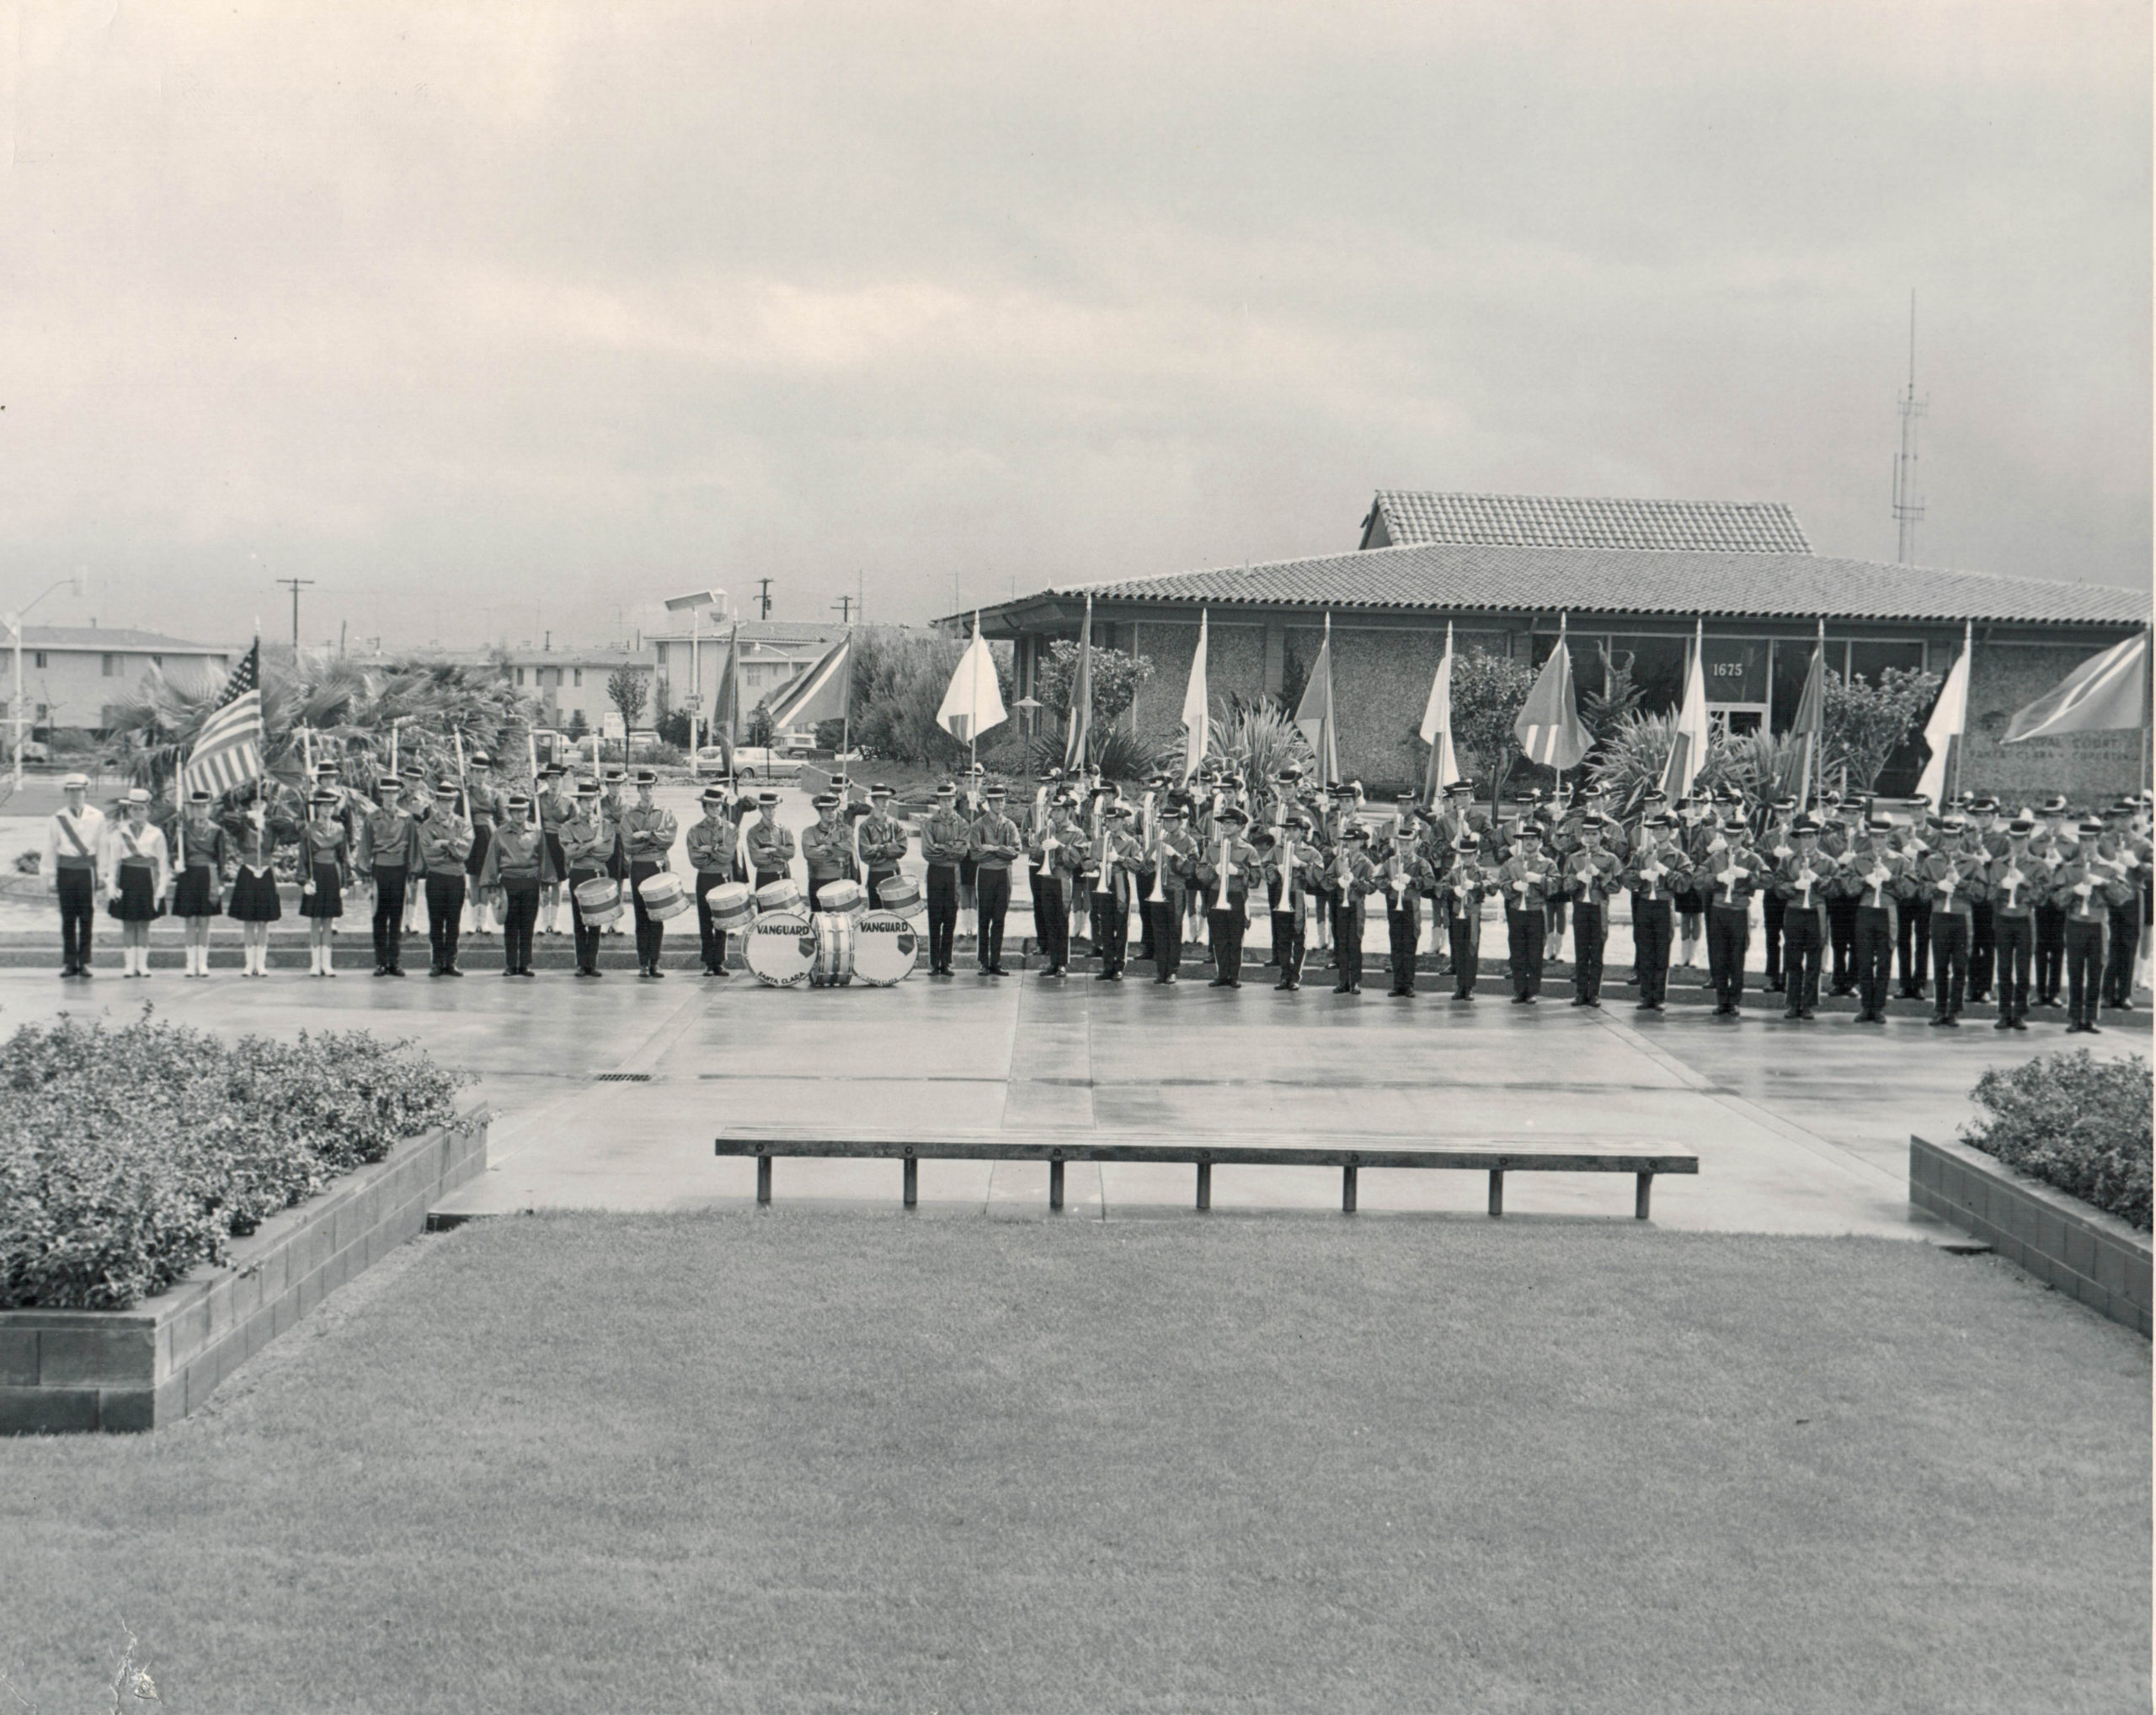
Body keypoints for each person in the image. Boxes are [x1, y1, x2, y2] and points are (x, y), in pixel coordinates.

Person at [2052, 819, 2129, 1034]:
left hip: (2098, 924)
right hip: (2076, 923)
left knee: (2097, 971)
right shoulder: (2068, 868)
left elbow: (2122, 898)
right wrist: (2073, 891)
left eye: (2091, 840)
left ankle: (2092, 1017)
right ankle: (2075, 1017)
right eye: (2083, 840)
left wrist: (2104, 883)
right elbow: (2056, 900)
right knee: (2075, 971)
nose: (2087, 845)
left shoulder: (2108, 868)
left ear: (2098, 841)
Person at [1838, 815, 1912, 1024]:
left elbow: (1910, 890)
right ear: (1870, 838)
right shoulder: (1859, 859)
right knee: (1863, 959)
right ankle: (1865, 1006)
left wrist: (1892, 879)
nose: (1878, 841)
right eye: (1875, 837)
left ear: (1888, 838)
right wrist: (1864, 880)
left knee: (1885, 960)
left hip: (1887, 911)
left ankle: (1878, 1007)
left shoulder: (1900, 861)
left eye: (1882, 837)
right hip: (1866, 910)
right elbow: (1847, 886)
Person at [1919, 816, 1986, 1026]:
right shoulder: (1932, 861)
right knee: (1940, 965)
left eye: (1954, 837)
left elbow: (1980, 894)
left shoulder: (1972, 862)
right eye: (1946, 836)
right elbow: (1921, 891)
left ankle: (1954, 1010)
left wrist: (1961, 883)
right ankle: (1940, 1009)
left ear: (1961, 837)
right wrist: (1937, 886)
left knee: (1960, 966)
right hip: (1940, 916)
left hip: (1961, 916)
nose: (1950, 841)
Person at [101, 788, 169, 977]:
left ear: (148, 811)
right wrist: (111, 884)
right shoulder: (119, 833)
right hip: (127, 878)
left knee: (144, 923)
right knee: (129, 923)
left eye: (142, 809)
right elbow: (113, 861)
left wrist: (162, 886)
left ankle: (142, 964)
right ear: (129, 810)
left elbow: (163, 863)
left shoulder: (156, 833)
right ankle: (130, 964)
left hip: (148, 879)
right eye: (134, 809)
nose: (138, 812)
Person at [355, 776, 419, 977]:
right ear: (382, 794)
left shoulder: (407, 819)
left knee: (397, 916)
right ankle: (381, 962)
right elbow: (365, 847)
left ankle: (395, 961)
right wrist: (365, 874)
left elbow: (413, 846)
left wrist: (413, 872)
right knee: (379, 916)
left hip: (399, 870)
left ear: (399, 794)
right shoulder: (372, 818)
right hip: (380, 870)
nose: (391, 796)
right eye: (387, 792)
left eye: (394, 792)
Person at [1701, 814, 1764, 1018]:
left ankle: (1734, 1001)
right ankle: (1722, 1001)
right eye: (1728, 836)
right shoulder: (1716, 857)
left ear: (1743, 836)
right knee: (1719, 956)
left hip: (1738, 909)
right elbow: (1697, 878)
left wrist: (1748, 876)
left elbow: (1769, 879)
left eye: (1736, 836)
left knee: (1737, 956)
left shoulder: (1752, 858)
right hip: (1719, 908)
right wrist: (1717, 878)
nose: (1732, 840)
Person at [1623, 814, 1687, 1012]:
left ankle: (1658, 997)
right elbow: (1626, 876)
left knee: (1661, 951)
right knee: (1644, 950)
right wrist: (1641, 875)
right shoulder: (1642, 854)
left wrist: (1666, 872)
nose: (1659, 833)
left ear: (1670, 832)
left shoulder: (1677, 856)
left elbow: (1685, 883)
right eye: (1656, 829)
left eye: (1663, 829)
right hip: (1644, 903)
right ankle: (1645, 996)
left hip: (1663, 904)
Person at [479, 791, 547, 976]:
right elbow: (492, 861)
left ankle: (524, 964)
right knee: (510, 924)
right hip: (509, 882)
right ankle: (510, 964)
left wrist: (546, 885)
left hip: (530, 882)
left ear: (528, 811)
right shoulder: (500, 834)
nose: (519, 814)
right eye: (515, 811)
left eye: (523, 810)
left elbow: (544, 860)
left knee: (527, 924)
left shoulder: (537, 832)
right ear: (510, 812)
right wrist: (491, 888)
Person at [1983, 817, 2041, 1031]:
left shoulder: (2037, 864)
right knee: (2004, 967)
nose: (2016, 844)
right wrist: (2001, 886)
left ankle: (2020, 1013)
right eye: (2013, 839)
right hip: (2003, 918)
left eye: (2021, 839)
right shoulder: (1999, 864)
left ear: (2028, 839)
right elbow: (1988, 894)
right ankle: (2004, 1012)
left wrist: (2024, 881)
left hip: (2025, 918)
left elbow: (2042, 897)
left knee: (2023, 969)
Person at [1771, 816, 1832, 1021]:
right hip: (1795, 909)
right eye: (1803, 837)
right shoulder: (1788, 860)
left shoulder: (1827, 861)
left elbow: (1835, 887)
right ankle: (1793, 1002)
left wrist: (1818, 880)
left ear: (1817, 838)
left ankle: (1809, 1004)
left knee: (1814, 959)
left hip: (1815, 910)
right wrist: (1793, 887)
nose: (1806, 841)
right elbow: (1778, 886)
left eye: (1810, 837)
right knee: (1793, 958)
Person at [223, 795, 291, 977]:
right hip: (248, 870)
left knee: (263, 921)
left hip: (266, 871)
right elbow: (226, 818)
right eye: (254, 803)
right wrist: (248, 815)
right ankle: (249, 963)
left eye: (261, 803)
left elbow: (290, 825)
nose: (258, 806)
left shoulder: (272, 825)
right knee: (248, 920)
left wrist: (265, 820)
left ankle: (260, 963)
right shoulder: (242, 825)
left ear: (267, 805)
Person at [1561, 815, 1623, 1008]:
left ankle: (1594, 993)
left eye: (1594, 834)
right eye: (1587, 834)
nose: (1590, 838)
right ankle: (1580, 992)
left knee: (1597, 951)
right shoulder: (1574, 858)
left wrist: (1600, 874)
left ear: (1601, 835)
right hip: (1581, 906)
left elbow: (1616, 887)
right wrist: (1578, 879)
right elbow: (1565, 886)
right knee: (1581, 950)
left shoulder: (1610, 859)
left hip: (1599, 907)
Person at [621, 768, 678, 978]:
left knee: (658, 914)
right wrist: (653, 841)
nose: (647, 791)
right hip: (639, 866)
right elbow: (628, 843)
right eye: (643, 787)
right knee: (641, 915)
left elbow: (669, 838)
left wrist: (647, 835)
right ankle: (643, 962)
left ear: (655, 788)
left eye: (650, 787)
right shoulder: (630, 815)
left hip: (658, 866)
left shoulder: (664, 813)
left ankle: (655, 961)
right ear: (638, 789)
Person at [1196, 805, 1261, 989]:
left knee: (1235, 936)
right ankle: (1221, 973)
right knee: (1218, 936)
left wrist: (1239, 871)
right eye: (1224, 823)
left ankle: (1234, 975)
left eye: (1231, 823)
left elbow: (1256, 878)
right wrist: (1212, 871)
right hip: (1216, 893)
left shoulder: (1248, 849)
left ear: (1240, 827)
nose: (1225, 827)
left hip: (1236, 895)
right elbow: (1200, 871)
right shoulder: (1213, 847)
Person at [562, 779, 620, 979]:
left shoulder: (605, 825)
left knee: (596, 919)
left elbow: (606, 852)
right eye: (585, 800)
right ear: (579, 802)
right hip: (578, 873)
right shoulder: (569, 826)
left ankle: (592, 962)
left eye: (592, 800)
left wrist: (583, 847)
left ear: (596, 801)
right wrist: (591, 844)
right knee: (579, 919)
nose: (589, 804)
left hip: (597, 872)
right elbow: (569, 853)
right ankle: (580, 963)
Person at [418, 779, 474, 976]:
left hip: (456, 877)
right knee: (436, 921)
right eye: (443, 800)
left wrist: (442, 843)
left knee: (453, 921)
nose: (447, 805)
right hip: (436, 876)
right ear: (436, 802)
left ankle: (451, 962)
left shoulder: (463, 824)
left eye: (450, 801)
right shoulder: (427, 825)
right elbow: (428, 854)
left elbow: (464, 851)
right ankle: (436, 962)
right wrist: (453, 846)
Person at [685, 783, 741, 976]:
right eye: (711, 806)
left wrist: (710, 850)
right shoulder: (695, 830)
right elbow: (696, 859)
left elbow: (728, 855)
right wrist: (717, 852)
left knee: (722, 920)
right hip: (705, 877)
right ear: (705, 808)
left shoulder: (730, 829)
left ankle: (720, 961)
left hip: (723, 876)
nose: (715, 809)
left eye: (718, 806)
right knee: (706, 920)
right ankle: (709, 962)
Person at [171, 788, 228, 978]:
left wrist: (220, 881)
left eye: (204, 807)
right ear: (192, 809)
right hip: (189, 874)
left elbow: (221, 858)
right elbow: (174, 852)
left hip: (208, 875)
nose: (200, 811)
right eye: (197, 807)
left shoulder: (217, 831)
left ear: (210, 808)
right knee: (190, 920)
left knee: (204, 920)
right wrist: (176, 863)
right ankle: (190, 962)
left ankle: (202, 963)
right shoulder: (183, 829)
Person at [1495, 819, 1554, 1004]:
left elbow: (1557, 885)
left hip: (1536, 910)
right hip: (1516, 910)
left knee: (1535, 952)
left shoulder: (1547, 863)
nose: (1529, 842)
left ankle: (1532, 991)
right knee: (1518, 950)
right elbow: (1501, 884)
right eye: (1526, 839)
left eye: (1533, 839)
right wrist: (1513, 886)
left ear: (1539, 841)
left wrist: (1540, 880)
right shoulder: (1512, 863)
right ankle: (1519, 989)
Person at [1027, 789, 1085, 979]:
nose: (1056, 814)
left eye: (1060, 811)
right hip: (1047, 879)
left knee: (1062, 920)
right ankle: (1053, 961)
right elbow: (1033, 853)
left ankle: (1062, 963)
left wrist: (1060, 847)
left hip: (1063, 879)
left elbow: (1076, 861)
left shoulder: (1076, 833)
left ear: (1068, 812)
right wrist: (1039, 848)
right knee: (1049, 919)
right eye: (1054, 811)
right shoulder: (1046, 831)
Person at [1377, 821, 1437, 998]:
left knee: (1410, 945)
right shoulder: (1391, 862)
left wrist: (1411, 880)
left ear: (1414, 844)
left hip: (1411, 906)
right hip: (1394, 905)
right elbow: (1378, 880)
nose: (1404, 847)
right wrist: (1390, 884)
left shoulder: (1420, 862)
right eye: (1401, 843)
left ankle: (1409, 984)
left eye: (1407, 844)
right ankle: (1397, 984)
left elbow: (1430, 881)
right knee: (1396, 945)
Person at [969, 785, 1023, 976]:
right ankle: (983, 961)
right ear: (988, 802)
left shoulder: (1009, 825)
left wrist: (992, 848)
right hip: (985, 875)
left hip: (1003, 876)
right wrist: (1001, 852)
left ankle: (996, 961)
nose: (1000, 803)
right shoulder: (978, 825)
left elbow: (1015, 851)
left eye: (1002, 800)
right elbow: (975, 854)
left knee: (999, 919)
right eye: (996, 800)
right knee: (984, 919)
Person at [297, 788, 353, 976]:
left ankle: (327, 963)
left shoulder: (340, 829)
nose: (328, 809)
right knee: (315, 920)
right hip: (316, 874)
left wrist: (345, 883)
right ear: (318, 808)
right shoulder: (309, 829)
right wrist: (304, 880)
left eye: (331, 806)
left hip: (333, 874)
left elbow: (344, 857)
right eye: (324, 806)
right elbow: (303, 857)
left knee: (329, 920)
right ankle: (315, 963)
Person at [1267, 814, 1324, 992]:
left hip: (1299, 894)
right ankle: (1284, 974)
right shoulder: (1278, 849)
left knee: (1299, 935)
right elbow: (1265, 868)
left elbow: (1318, 877)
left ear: (1302, 832)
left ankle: (1296, 976)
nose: (1290, 833)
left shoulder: (1311, 852)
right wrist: (1277, 869)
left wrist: (1300, 865)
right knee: (1283, 936)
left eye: (1294, 830)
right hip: (1281, 893)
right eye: (1287, 830)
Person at [1084, 801, 1139, 982]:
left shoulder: (1131, 842)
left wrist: (1120, 859)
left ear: (1123, 822)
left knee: (1121, 925)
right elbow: (1085, 863)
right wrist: (1099, 863)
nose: (1112, 824)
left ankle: (1119, 966)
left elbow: (1139, 865)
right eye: (1110, 821)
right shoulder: (1099, 842)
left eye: (1116, 821)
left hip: (1120, 882)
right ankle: (1107, 966)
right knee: (1105, 926)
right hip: (1103, 882)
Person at [920, 783, 970, 977]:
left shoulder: (963, 824)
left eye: (950, 799)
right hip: (935, 872)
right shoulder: (930, 824)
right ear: (938, 802)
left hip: (953, 873)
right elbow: (927, 851)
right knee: (934, 917)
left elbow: (961, 852)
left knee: (950, 916)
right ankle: (934, 962)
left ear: (954, 800)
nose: (947, 803)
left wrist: (942, 847)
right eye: (943, 800)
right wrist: (951, 847)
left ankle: (946, 961)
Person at [1145, 800, 1198, 985]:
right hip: (1159, 888)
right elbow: (1144, 868)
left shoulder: (1189, 841)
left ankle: (1173, 969)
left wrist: (1176, 855)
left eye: (1172, 821)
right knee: (1159, 930)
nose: (1168, 825)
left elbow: (1192, 868)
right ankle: (1161, 970)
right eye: (1165, 821)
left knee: (1174, 930)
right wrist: (1151, 860)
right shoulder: (1158, 841)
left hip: (1176, 889)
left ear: (1180, 822)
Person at [2030, 796, 2073, 1007]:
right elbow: (2027, 870)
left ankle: (2054, 991)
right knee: (2040, 946)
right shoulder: (2035, 843)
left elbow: (2074, 872)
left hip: (2059, 900)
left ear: (2063, 818)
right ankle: (2039, 991)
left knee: (2057, 946)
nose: (2052, 822)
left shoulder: (2070, 845)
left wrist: (2061, 866)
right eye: (2049, 817)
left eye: (2057, 817)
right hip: (2041, 899)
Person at [1327, 824, 1377, 995]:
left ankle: (1355, 981)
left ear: (1362, 842)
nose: (1351, 844)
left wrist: (1355, 882)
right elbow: (1327, 879)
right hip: (1342, 902)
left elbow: (1372, 887)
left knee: (1354, 943)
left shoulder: (1366, 863)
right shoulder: (1339, 860)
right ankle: (1343, 981)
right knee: (1342, 942)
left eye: (1355, 840)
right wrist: (1337, 882)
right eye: (1348, 841)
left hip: (1356, 904)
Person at [1756, 797, 1798, 995]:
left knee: (1792, 935)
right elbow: (1756, 854)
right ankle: (1773, 977)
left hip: (1792, 891)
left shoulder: (1799, 836)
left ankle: (1790, 975)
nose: (1783, 816)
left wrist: (1790, 856)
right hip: (1772, 890)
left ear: (1794, 813)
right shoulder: (1768, 835)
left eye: (1787, 812)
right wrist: (1772, 854)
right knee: (1772, 935)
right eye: (1779, 812)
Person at [462, 750, 501, 938]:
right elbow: (457, 816)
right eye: (476, 771)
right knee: (473, 879)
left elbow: (502, 819)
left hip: (488, 836)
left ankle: (483, 921)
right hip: (471, 836)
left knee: (486, 880)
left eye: (483, 771)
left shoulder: (494, 794)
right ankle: (473, 921)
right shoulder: (464, 792)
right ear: (471, 772)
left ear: (488, 773)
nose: (479, 775)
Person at [857, 783, 910, 912]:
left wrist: (879, 848)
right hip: (875, 874)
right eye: (881, 798)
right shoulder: (865, 826)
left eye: (887, 798)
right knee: (876, 914)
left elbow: (902, 848)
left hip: (893, 873)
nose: (885, 802)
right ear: (874, 800)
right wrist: (890, 849)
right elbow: (865, 854)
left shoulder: (895, 823)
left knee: (895, 913)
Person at [802, 792, 857, 913]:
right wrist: (837, 854)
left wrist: (826, 847)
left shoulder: (846, 830)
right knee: (818, 922)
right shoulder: (809, 832)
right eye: (826, 810)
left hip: (840, 881)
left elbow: (848, 849)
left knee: (843, 921)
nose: (830, 813)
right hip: (818, 882)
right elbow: (810, 854)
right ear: (820, 811)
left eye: (833, 809)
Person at [744, 792, 796, 890]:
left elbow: (791, 852)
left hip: (784, 874)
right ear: (760, 809)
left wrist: (769, 850)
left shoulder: (784, 829)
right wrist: (779, 857)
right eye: (767, 808)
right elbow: (756, 859)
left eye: (773, 807)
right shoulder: (753, 832)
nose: (771, 811)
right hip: (764, 876)